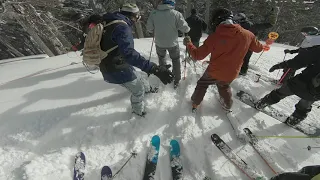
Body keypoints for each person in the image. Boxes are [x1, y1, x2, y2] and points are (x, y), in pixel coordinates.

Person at [86, 3, 174, 117]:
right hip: (115, 68)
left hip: (115, 62)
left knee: (139, 76)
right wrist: (154, 69)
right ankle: (138, 112)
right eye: (138, 16)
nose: (137, 20)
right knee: (138, 90)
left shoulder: (110, 19)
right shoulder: (122, 27)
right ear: (133, 15)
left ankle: (148, 90)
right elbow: (130, 54)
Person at [183, 8, 265, 112]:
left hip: (214, 71)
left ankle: (195, 102)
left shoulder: (215, 37)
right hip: (233, 72)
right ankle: (227, 105)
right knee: (224, 85)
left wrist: (189, 44)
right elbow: (259, 49)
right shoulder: (248, 34)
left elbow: (197, 55)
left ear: (217, 21)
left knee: (202, 84)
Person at [255, 29, 320, 126]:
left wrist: (280, 65)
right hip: (316, 90)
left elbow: (300, 61)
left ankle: (262, 104)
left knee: (281, 92)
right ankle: (294, 120)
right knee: (306, 103)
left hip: (302, 81)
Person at [146, 0, 190, 89]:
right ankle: (177, 79)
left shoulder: (154, 13)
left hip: (159, 42)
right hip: (172, 43)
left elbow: (149, 28)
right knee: (175, 59)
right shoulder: (176, 14)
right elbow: (185, 29)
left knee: (161, 58)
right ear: (172, 3)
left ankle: (163, 75)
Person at [233, 9, 278, 75]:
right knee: (245, 58)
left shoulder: (237, 25)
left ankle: (240, 70)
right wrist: (273, 15)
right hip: (249, 45)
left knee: (239, 57)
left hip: (241, 45)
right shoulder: (252, 26)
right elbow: (269, 25)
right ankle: (242, 70)